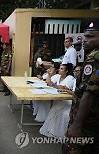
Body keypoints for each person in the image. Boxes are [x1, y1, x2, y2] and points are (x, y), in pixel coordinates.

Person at [64, 20, 99, 153]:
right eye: (85, 36)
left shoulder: (94, 58)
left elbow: (89, 92)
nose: (85, 40)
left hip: (87, 120)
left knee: (73, 148)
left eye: (90, 36)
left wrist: (76, 124)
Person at [39, 65, 81, 138]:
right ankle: (53, 130)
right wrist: (49, 75)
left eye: (78, 71)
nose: (76, 73)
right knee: (56, 108)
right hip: (67, 100)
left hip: (72, 102)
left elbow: (73, 93)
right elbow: (49, 83)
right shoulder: (59, 76)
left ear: (66, 71)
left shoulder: (71, 79)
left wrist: (65, 90)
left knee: (59, 108)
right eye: (75, 71)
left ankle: (61, 132)